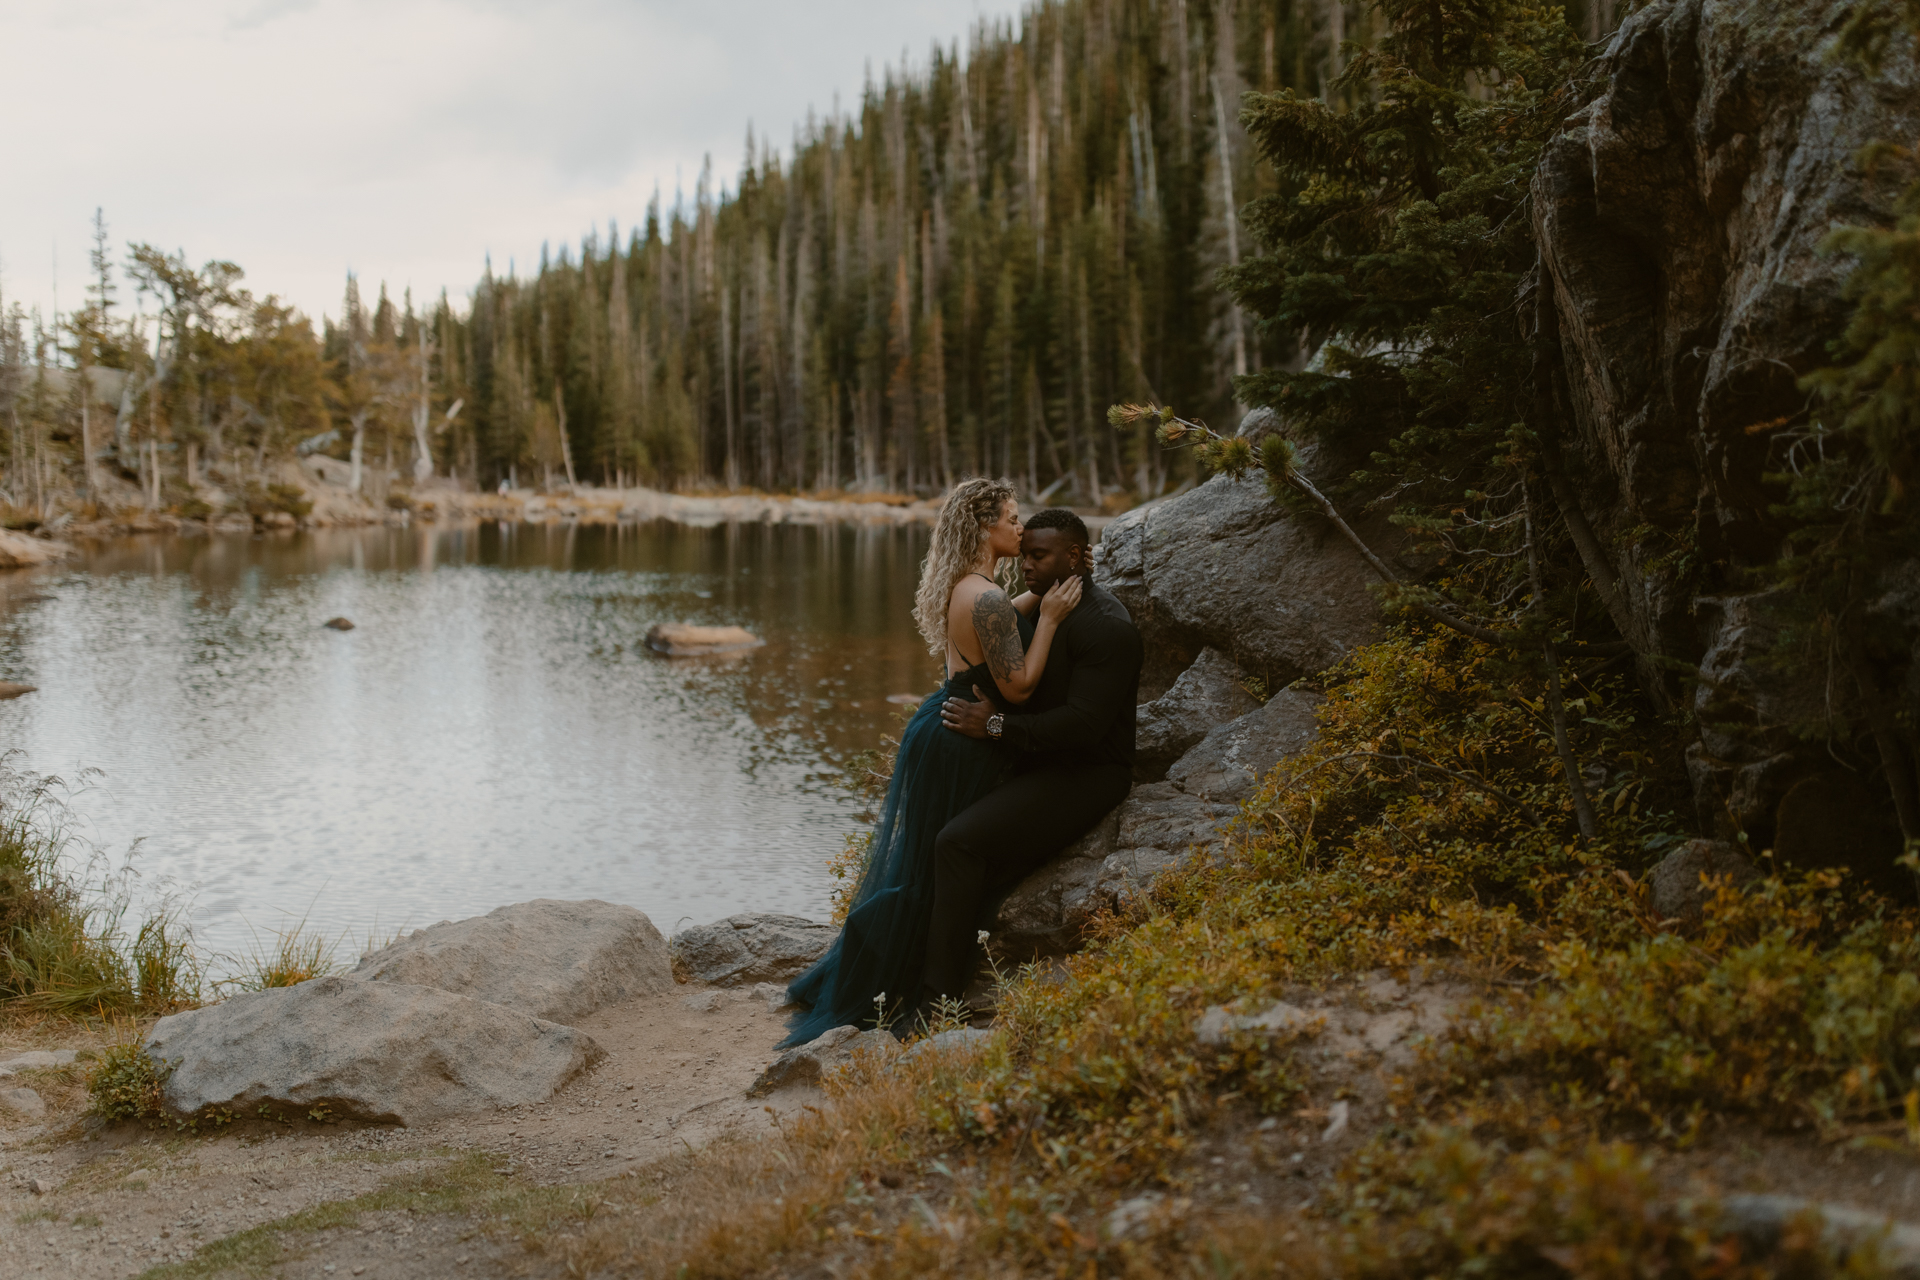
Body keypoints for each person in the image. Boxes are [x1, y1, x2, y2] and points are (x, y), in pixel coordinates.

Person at [781, 479, 1081, 1047]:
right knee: (934, 870)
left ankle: (899, 974)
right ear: (984, 527)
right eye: (1013, 519)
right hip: (959, 745)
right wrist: (1049, 620)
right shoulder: (985, 595)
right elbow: (1016, 688)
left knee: (922, 862)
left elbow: (995, 628)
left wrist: (1035, 601)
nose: (1021, 528)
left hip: (939, 728)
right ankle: (910, 990)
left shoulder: (974, 587)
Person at [922, 508, 1143, 1010]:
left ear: (1076, 556)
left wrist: (994, 726)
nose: (1027, 565)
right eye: (1024, 556)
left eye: (1039, 557)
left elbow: (1082, 728)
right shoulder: (1040, 610)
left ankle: (939, 1005)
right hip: (1035, 759)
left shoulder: (1107, 626)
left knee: (957, 844)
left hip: (1086, 773)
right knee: (945, 837)